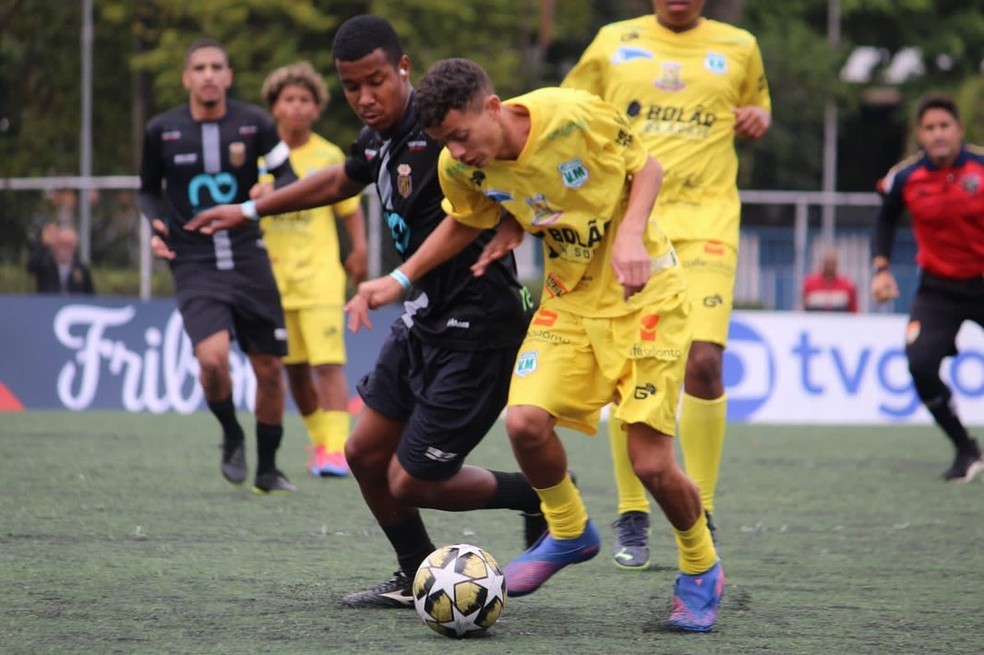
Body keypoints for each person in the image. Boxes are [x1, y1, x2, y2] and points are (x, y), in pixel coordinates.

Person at [185, 15, 545, 608]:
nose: (364, 98)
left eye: (376, 81)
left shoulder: (449, 133)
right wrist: (249, 212)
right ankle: (413, 573)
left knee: (417, 478)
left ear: (403, 68)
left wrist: (403, 274)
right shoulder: (381, 136)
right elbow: (340, 180)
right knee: (363, 454)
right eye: (352, 87)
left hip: (480, 324)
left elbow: (514, 177)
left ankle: (536, 494)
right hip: (423, 318)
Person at [351, 57, 723, 632]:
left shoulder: (573, 114)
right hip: (567, 300)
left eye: (462, 135)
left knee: (650, 462)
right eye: (445, 141)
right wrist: (400, 278)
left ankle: (701, 567)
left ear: (494, 107)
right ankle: (570, 530)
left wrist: (629, 235)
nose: (458, 151)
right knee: (524, 422)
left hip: (647, 298)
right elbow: (468, 217)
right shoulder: (459, 166)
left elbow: (645, 169)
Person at [561, 0, 772, 569]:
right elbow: (569, 116)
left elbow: (755, 109)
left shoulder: (740, 47)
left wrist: (758, 118)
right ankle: (634, 512)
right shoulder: (610, 42)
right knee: (631, 363)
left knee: (703, 362)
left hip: (706, 225)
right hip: (633, 228)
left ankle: (699, 509)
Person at [138, 38, 297, 494]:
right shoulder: (161, 130)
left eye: (217, 67)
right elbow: (148, 189)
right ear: (187, 77)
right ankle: (231, 432)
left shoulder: (256, 123)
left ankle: (267, 468)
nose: (209, 75)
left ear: (228, 77)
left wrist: (272, 191)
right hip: (194, 261)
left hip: (249, 255)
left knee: (269, 367)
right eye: (200, 68)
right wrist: (155, 227)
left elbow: (288, 176)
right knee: (211, 360)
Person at [258, 61, 368, 478]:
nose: (298, 107)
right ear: (275, 106)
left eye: (306, 100)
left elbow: (350, 210)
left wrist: (358, 249)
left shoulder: (327, 154)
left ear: (317, 108)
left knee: (327, 365)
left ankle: (337, 451)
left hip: (319, 276)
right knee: (295, 371)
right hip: (272, 281)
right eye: (289, 99)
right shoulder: (259, 156)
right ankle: (323, 441)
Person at [871, 94, 984, 482]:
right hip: (938, 291)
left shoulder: (981, 168)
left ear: (959, 130)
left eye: (944, 126)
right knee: (920, 364)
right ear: (921, 134)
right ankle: (965, 448)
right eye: (930, 128)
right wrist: (880, 269)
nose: (938, 134)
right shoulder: (905, 178)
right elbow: (884, 222)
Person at [27, 224, 95, 295]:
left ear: (75, 249)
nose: (65, 250)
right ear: (56, 245)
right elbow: (30, 267)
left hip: (73, 304)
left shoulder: (81, 268)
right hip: (48, 303)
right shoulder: (45, 263)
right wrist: (45, 245)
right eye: (62, 244)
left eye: (69, 245)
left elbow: (90, 295)